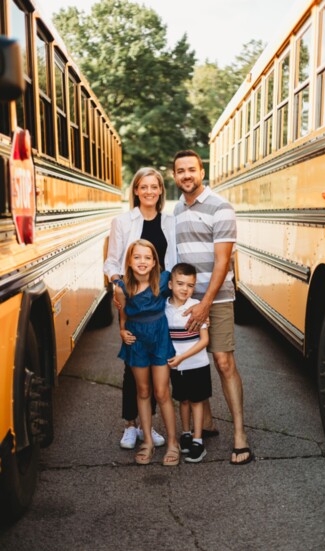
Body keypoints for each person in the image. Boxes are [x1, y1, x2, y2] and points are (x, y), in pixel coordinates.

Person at [172, 150, 253, 465]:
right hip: (185, 302)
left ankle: (240, 434)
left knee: (223, 362)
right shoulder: (176, 210)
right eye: (181, 171)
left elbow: (223, 261)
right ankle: (205, 422)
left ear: (201, 171)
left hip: (215, 300)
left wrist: (205, 303)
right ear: (175, 176)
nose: (186, 175)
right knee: (193, 362)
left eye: (191, 169)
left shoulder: (221, 207)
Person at [104, 167, 176, 450]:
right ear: (135, 190)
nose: (149, 192)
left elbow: (173, 258)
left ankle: (151, 426)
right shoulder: (122, 221)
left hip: (159, 298)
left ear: (160, 191)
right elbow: (112, 261)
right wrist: (117, 284)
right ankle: (130, 425)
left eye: (154, 187)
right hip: (132, 300)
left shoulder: (169, 221)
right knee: (132, 364)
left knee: (157, 361)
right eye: (143, 187)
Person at [115, 239, 180, 466]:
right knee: (143, 391)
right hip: (136, 341)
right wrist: (122, 331)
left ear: (154, 262)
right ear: (130, 262)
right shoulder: (122, 288)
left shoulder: (163, 281)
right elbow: (123, 316)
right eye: (137, 257)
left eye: (147, 258)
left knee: (161, 392)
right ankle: (148, 442)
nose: (142, 262)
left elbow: (181, 293)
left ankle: (173, 442)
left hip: (159, 338)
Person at [166, 263, 211, 463]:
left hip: (197, 364)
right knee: (182, 400)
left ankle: (198, 439)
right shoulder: (164, 308)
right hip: (177, 367)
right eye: (180, 284)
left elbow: (204, 340)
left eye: (190, 285)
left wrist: (183, 357)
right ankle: (185, 433)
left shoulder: (197, 308)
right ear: (170, 284)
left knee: (196, 401)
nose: (185, 289)